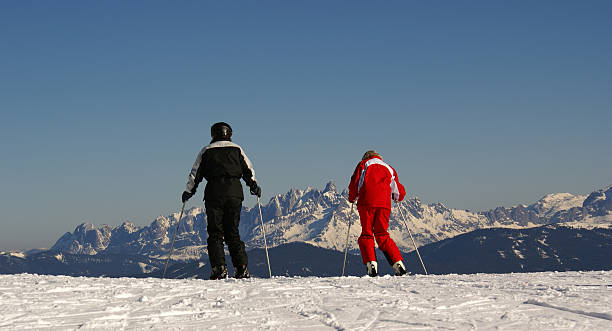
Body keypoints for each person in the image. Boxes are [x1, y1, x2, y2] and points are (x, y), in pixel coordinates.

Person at [181, 122, 261, 280]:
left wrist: (189, 191)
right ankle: (241, 267)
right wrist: (254, 186)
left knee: (215, 232)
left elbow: (195, 173)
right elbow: (248, 170)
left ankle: (219, 268)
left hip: (214, 193)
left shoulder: (206, 151)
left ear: (213, 134)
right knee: (233, 232)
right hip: (234, 192)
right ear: (229, 134)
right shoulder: (237, 149)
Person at [348, 150, 407, 277]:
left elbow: (355, 182)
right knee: (382, 234)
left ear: (365, 157)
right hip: (384, 205)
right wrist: (397, 197)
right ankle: (398, 263)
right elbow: (398, 189)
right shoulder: (388, 168)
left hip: (367, 203)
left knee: (367, 233)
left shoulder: (363, 164)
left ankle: (371, 265)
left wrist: (352, 198)